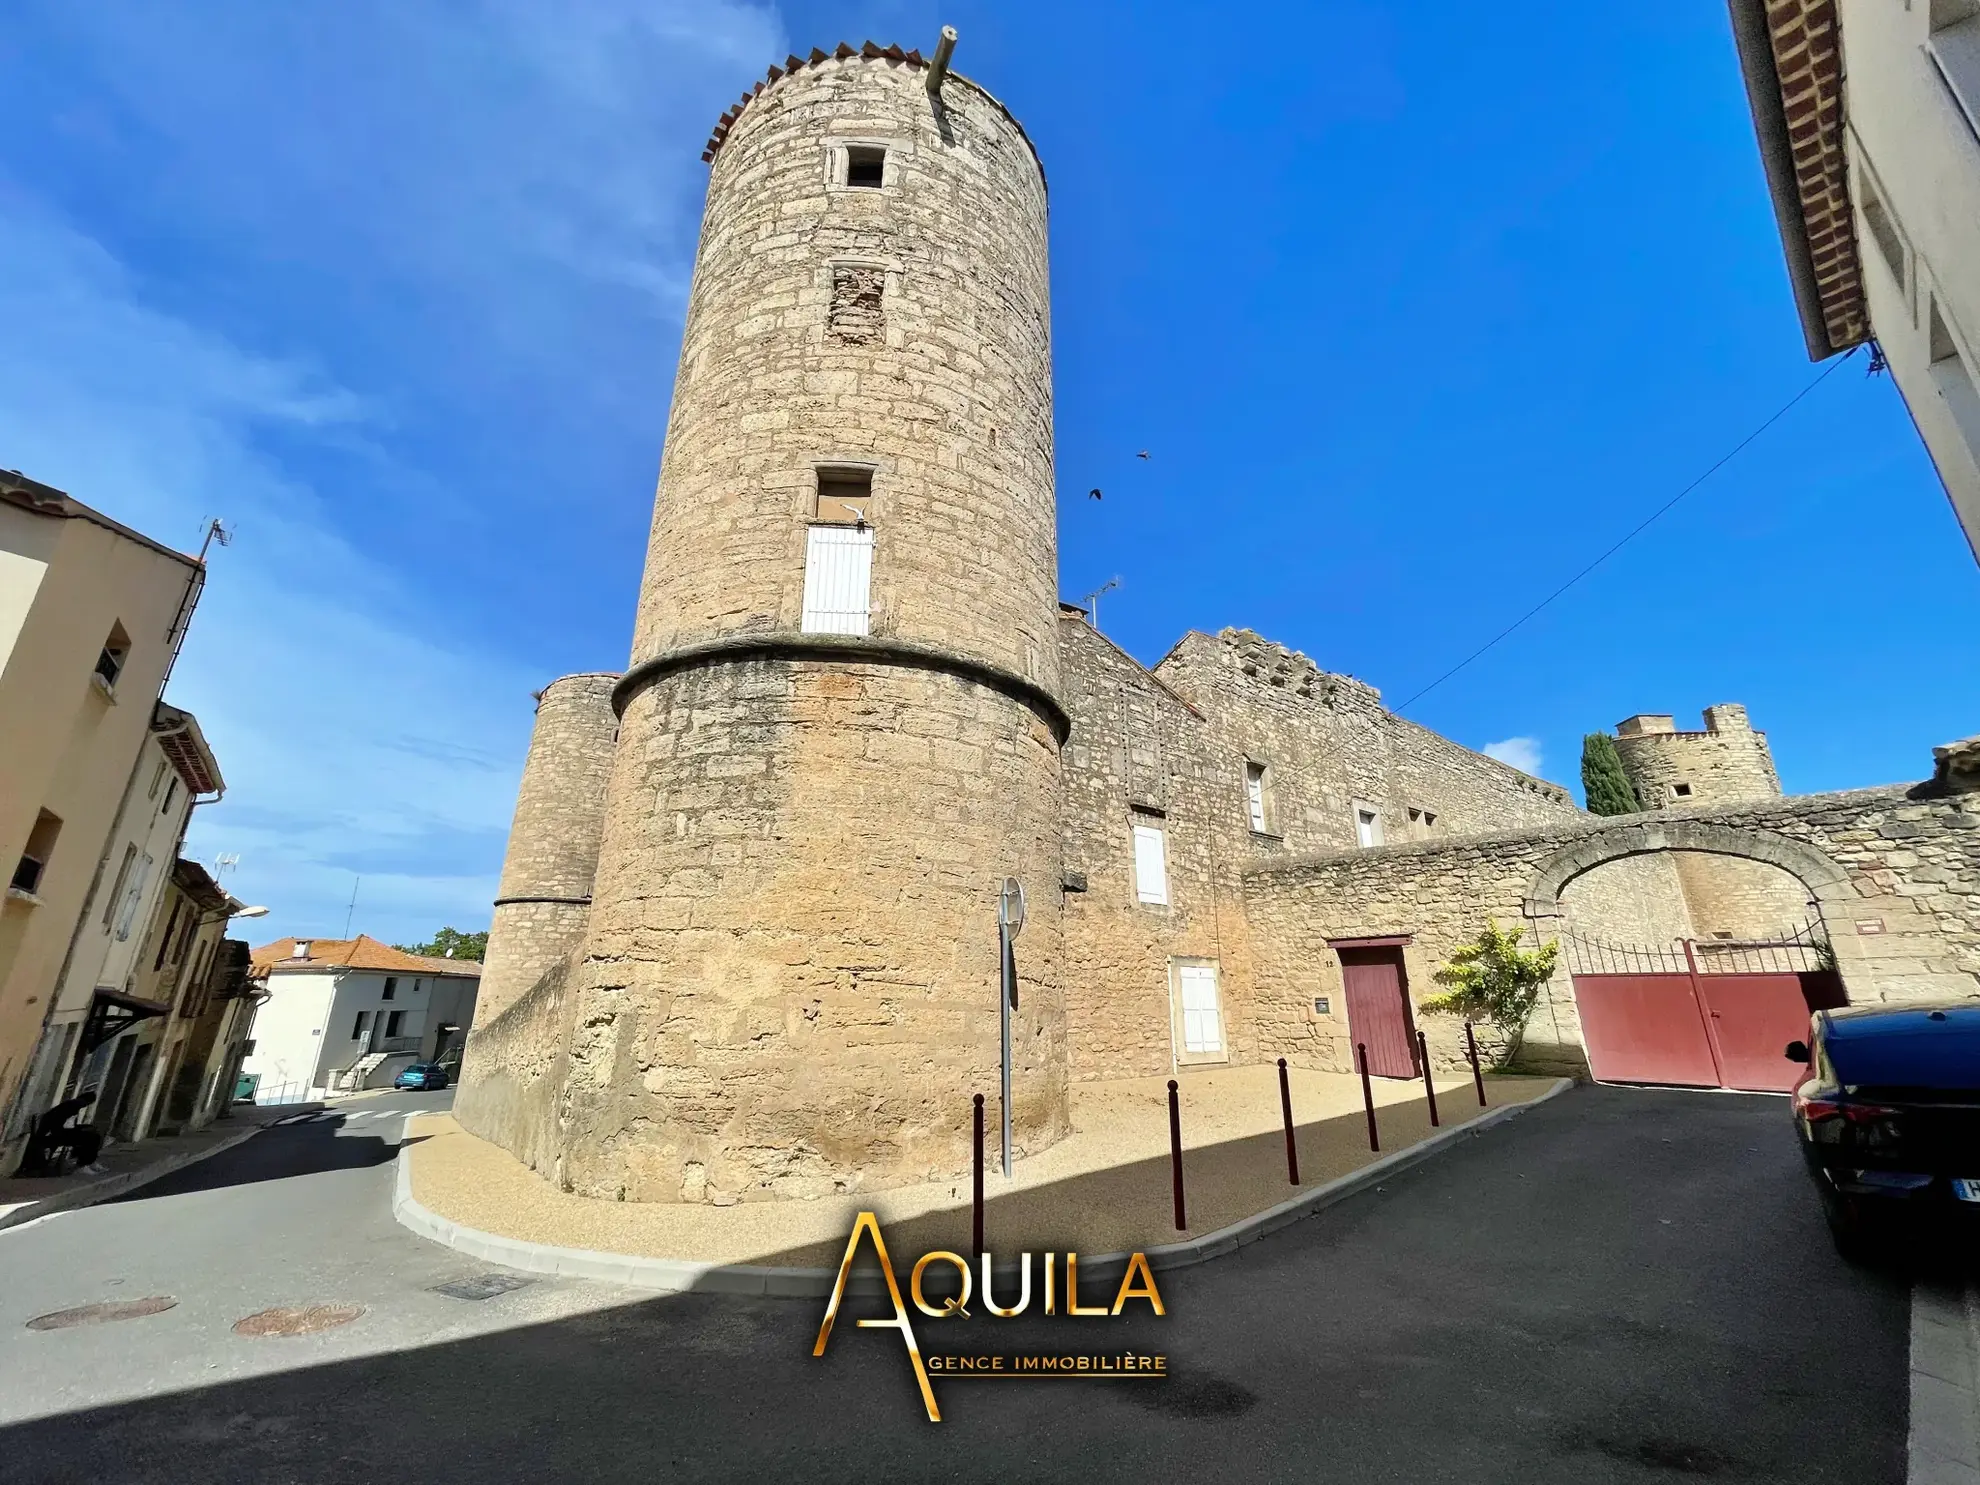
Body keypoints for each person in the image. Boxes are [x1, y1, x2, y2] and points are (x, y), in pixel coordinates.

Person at [22, 1092, 102, 1175]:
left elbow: (66, 1124)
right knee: (92, 1138)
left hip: (57, 1132)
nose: (85, 1106)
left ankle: (84, 1162)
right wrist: (78, 1130)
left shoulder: (73, 1104)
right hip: (54, 1134)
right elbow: (58, 1126)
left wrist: (81, 1128)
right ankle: (82, 1164)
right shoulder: (75, 1105)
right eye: (87, 1103)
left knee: (92, 1135)